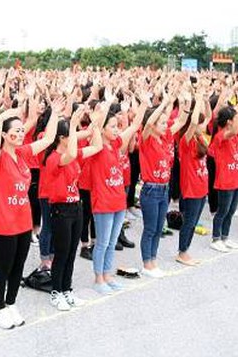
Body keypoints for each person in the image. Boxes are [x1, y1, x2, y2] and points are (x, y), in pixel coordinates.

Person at [0, 93, 65, 329]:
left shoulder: (22, 154)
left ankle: (11, 303)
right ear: (4, 134)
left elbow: (50, 137)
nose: (21, 133)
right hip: (3, 221)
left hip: (23, 220)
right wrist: (5, 113)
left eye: (23, 130)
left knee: (19, 265)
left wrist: (55, 113)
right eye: (16, 130)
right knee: (5, 266)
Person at [42, 106, 102, 311]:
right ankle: (56, 292)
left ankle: (67, 290)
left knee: (71, 252)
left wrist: (97, 122)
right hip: (61, 210)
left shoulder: (72, 155)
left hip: (76, 207)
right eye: (71, 135)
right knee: (61, 252)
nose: (75, 137)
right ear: (61, 138)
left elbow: (97, 146)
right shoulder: (54, 159)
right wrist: (75, 123)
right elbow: (73, 152)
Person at [89, 94, 145, 294]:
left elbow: (134, 126)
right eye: (112, 126)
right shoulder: (96, 148)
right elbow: (94, 127)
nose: (116, 129)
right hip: (103, 203)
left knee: (112, 242)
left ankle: (107, 274)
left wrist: (144, 103)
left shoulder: (115, 145)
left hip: (118, 201)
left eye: (116, 126)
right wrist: (100, 112)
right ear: (102, 129)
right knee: (102, 242)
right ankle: (98, 278)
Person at [138, 92, 189, 277]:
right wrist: (163, 104)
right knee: (150, 228)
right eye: (161, 123)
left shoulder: (166, 137)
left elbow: (182, 121)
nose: (165, 125)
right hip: (151, 189)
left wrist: (188, 102)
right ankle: (146, 264)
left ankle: (153, 260)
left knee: (159, 228)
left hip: (164, 188)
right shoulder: (146, 139)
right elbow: (149, 123)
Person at [177, 92, 211, 266]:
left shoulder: (200, 138)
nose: (203, 125)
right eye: (200, 123)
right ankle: (182, 252)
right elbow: (194, 122)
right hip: (191, 188)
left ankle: (186, 250)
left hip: (202, 187)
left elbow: (208, 118)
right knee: (189, 222)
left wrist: (205, 101)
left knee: (194, 221)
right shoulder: (186, 141)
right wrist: (197, 100)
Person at [209, 99, 238, 253]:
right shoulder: (220, 136)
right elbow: (235, 130)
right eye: (234, 119)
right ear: (228, 121)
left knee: (231, 212)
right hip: (225, 181)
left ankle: (225, 237)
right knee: (222, 211)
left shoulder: (235, 136)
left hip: (237, 179)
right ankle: (216, 238)